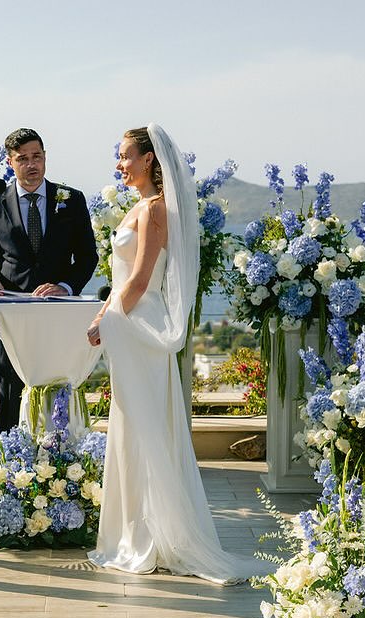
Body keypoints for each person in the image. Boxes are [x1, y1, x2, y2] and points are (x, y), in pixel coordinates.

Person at [84, 125, 269, 584]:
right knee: (130, 426)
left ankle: (153, 536)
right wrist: (107, 314)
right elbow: (121, 277)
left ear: (149, 160)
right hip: (126, 323)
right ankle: (134, 530)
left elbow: (142, 278)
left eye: (126, 156)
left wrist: (108, 319)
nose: (119, 164)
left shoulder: (155, 212)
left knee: (145, 428)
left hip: (139, 328)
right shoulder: (138, 207)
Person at [0, 128, 98, 433]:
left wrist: (65, 287)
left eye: (37, 156)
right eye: (23, 158)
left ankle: (62, 460)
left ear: (45, 157)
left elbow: (88, 257)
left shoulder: (71, 200)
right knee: (10, 390)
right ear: (10, 162)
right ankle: (9, 467)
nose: (31, 164)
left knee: (59, 387)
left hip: (58, 315)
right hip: (13, 317)